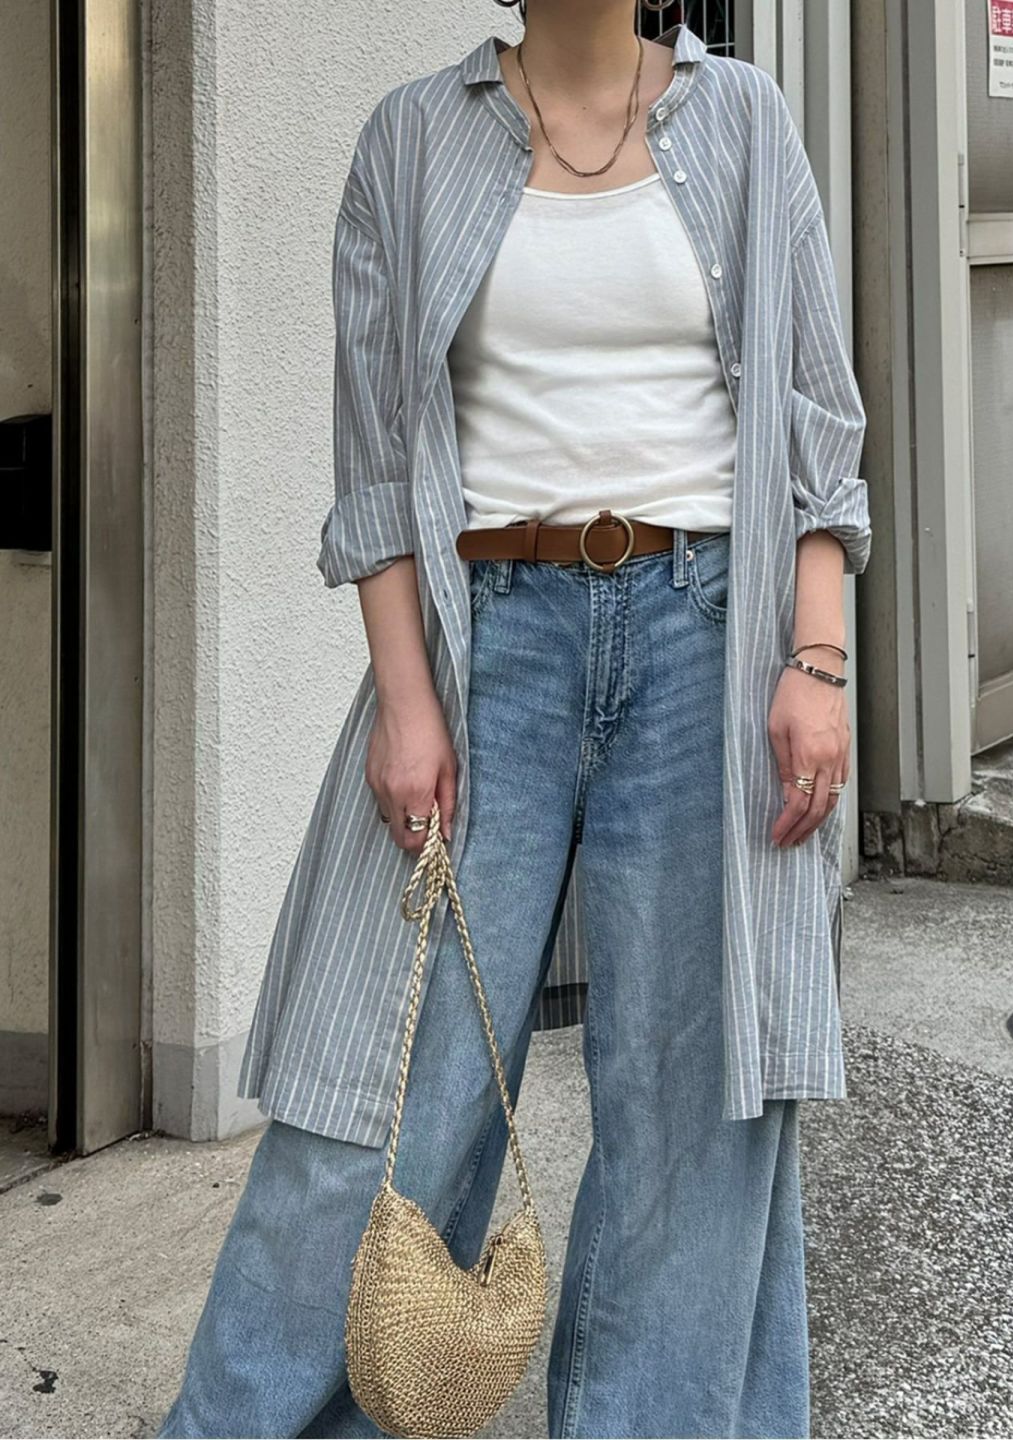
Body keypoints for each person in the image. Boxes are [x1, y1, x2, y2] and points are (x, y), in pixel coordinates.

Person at [157, 1, 870, 1436]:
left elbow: (812, 418)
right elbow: (375, 461)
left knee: (694, 1100)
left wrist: (820, 657)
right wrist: (405, 700)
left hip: (705, 637)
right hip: (492, 640)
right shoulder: (415, 140)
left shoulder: (745, 122)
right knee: (387, 1081)